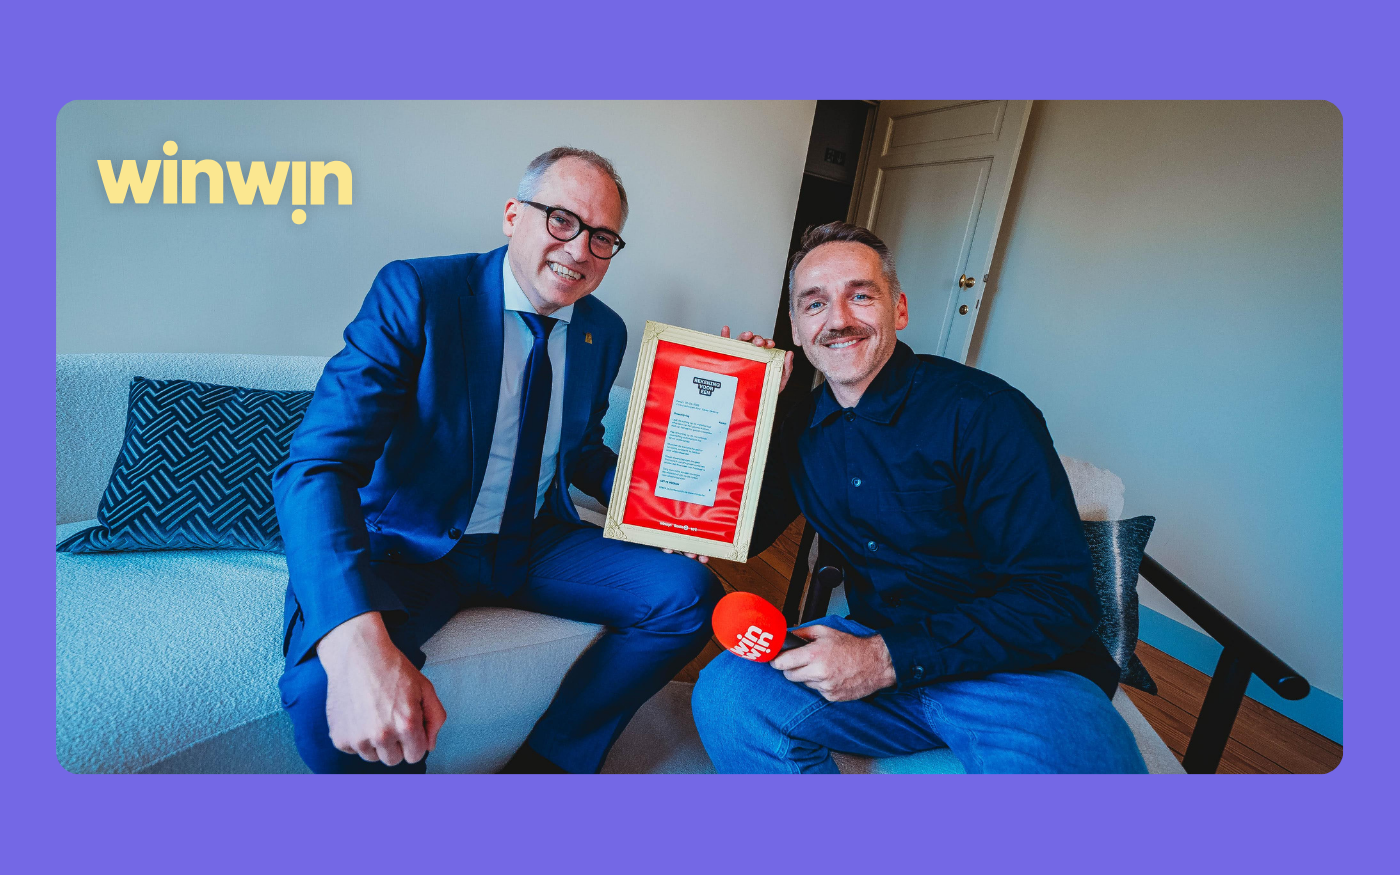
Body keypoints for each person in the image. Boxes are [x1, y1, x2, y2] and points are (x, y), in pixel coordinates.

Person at [273, 147, 722, 774]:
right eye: (562, 220)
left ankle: (546, 766)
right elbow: (317, 468)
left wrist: (664, 513)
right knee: (325, 694)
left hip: (532, 541)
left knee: (689, 596)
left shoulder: (604, 331)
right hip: (411, 547)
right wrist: (353, 637)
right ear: (514, 215)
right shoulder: (418, 293)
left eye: (602, 237)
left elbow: (581, 450)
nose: (579, 250)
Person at [692, 222, 1147, 773]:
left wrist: (884, 659)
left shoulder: (986, 413)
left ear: (900, 309)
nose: (837, 319)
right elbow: (738, 532)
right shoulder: (801, 428)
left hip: (1021, 674)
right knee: (729, 695)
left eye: (861, 296)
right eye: (814, 304)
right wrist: (738, 411)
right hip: (881, 652)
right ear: (796, 327)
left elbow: (1058, 599)